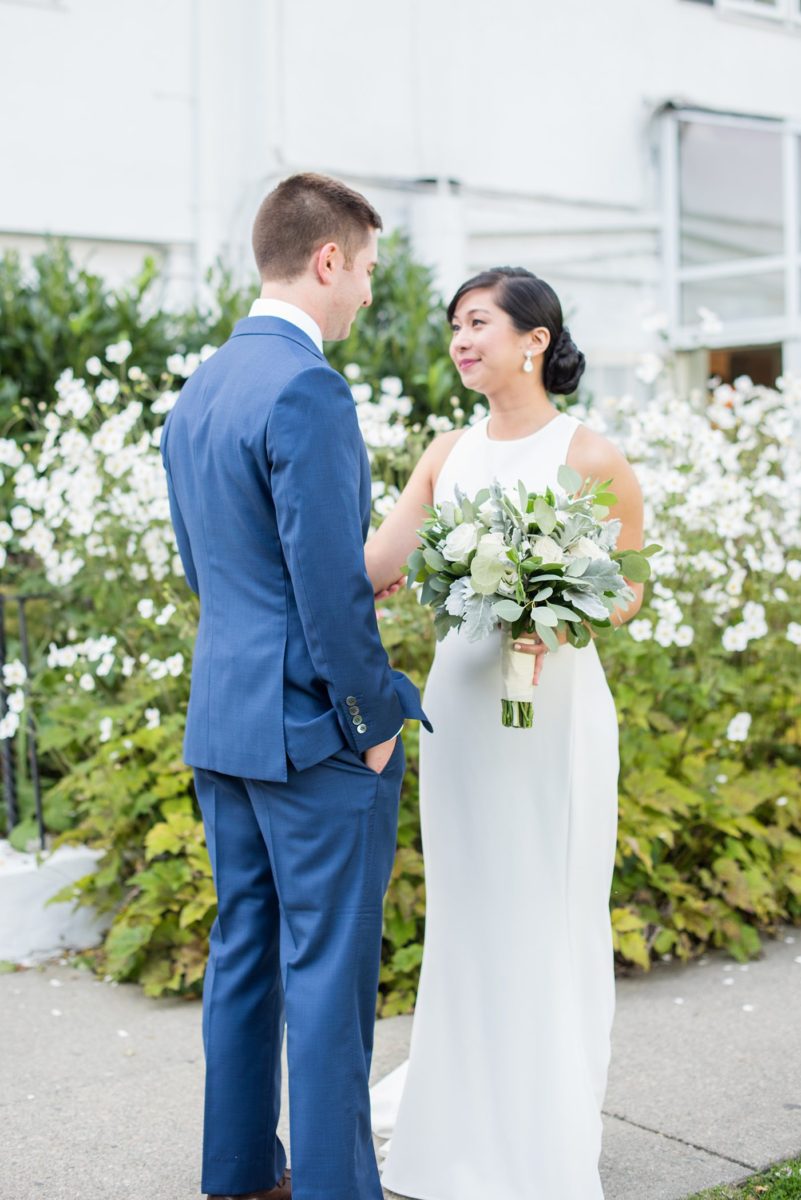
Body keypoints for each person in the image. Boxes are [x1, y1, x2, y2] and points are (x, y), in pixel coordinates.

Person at [161, 172, 431, 1200]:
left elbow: (214, 570)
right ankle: (333, 1188)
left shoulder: (204, 388)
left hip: (224, 723)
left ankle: (238, 1176)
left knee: (245, 958)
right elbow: (325, 594)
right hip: (312, 735)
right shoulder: (307, 386)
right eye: (365, 270)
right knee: (329, 979)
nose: (367, 292)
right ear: (328, 261)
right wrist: (370, 721)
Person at [365, 267, 645, 1199]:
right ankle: (459, 1105)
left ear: (535, 338)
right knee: (471, 901)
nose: (459, 339)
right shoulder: (446, 452)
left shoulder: (593, 456)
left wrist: (563, 610)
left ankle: (543, 1116)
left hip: (555, 709)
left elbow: (633, 584)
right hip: (463, 707)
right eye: (453, 325)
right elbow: (380, 562)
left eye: (476, 322)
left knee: (547, 897)